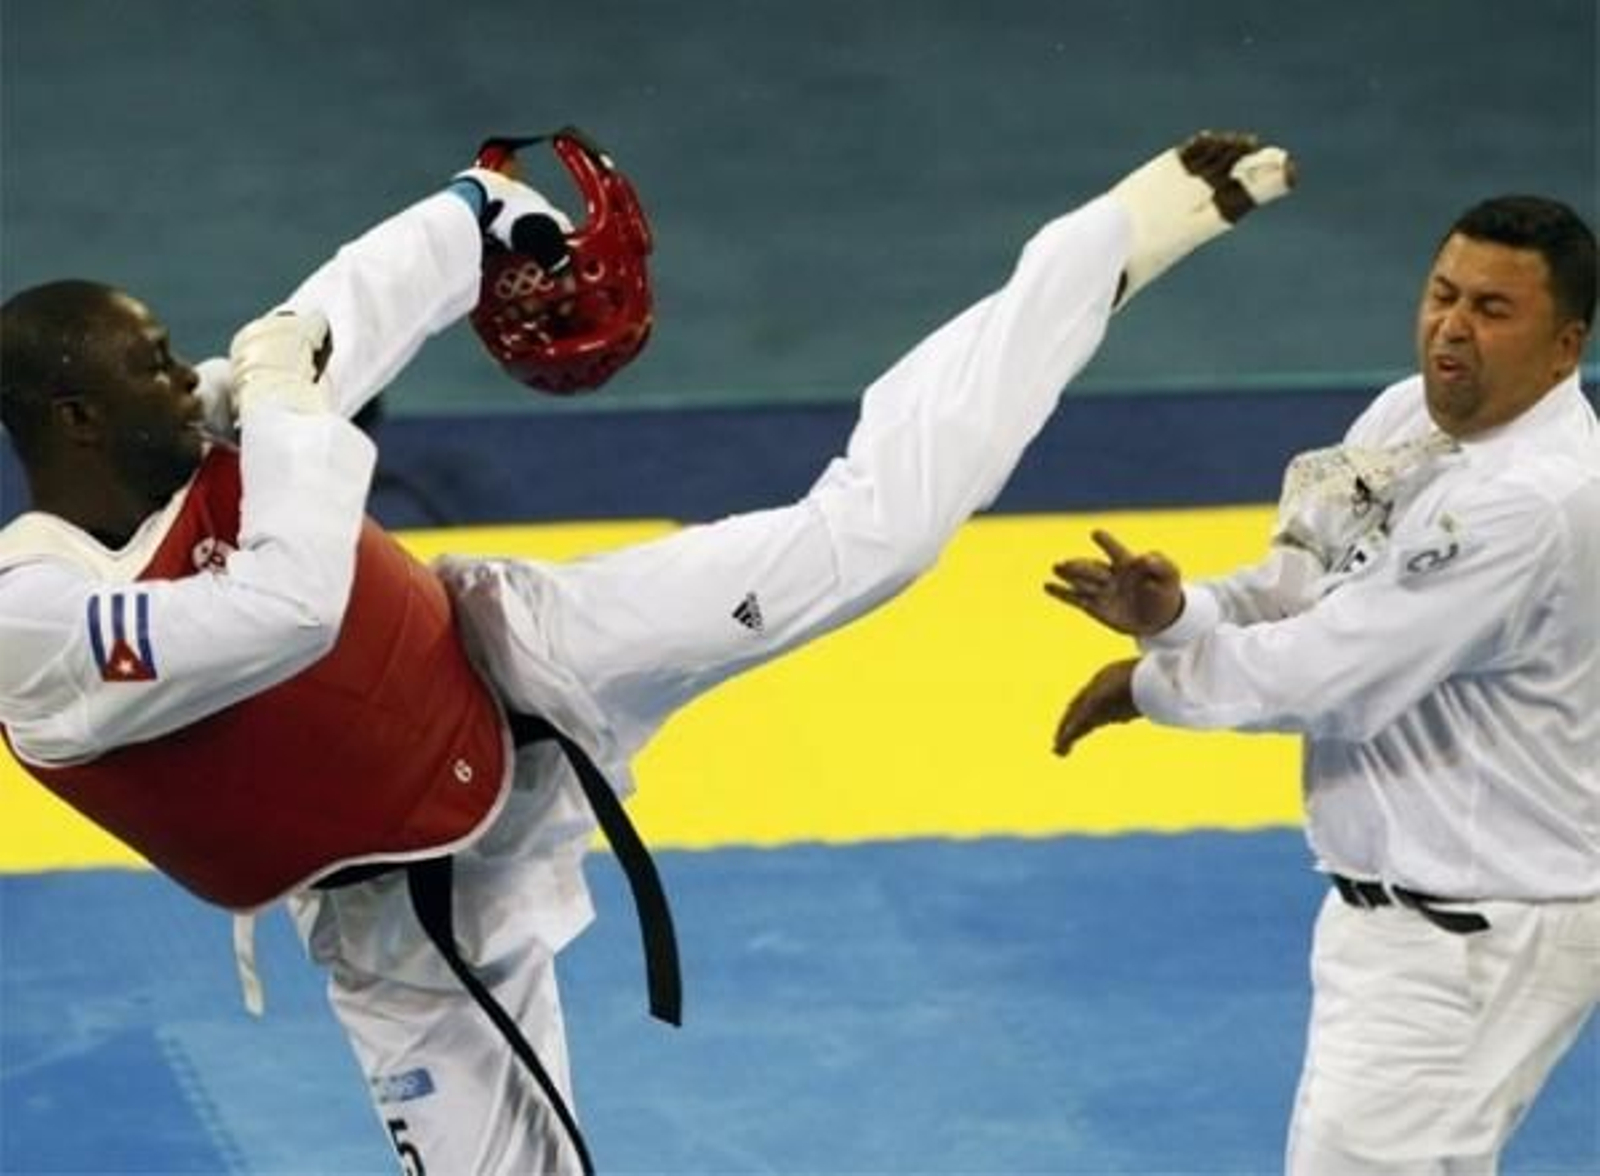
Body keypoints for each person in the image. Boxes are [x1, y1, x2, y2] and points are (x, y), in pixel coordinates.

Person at [0, 129, 1293, 1176]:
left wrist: (482, 211)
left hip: (504, 654)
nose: (193, 380)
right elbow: (283, 605)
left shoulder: (199, 433)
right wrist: (281, 395)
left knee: (876, 537)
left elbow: (340, 316)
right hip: (405, 901)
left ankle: (1105, 245)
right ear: (74, 417)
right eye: (157, 367)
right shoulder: (35, 616)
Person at [1046, 194, 1598, 1173]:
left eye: (1491, 311)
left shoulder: (1530, 504)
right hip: (1400, 912)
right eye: (1441, 295)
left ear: (1564, 348)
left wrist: (1148, 688)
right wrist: (1180, 616)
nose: (1450, 328)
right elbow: (1303, 587)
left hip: (1477, 931)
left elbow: (1338, 674)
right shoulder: (1406, 416)